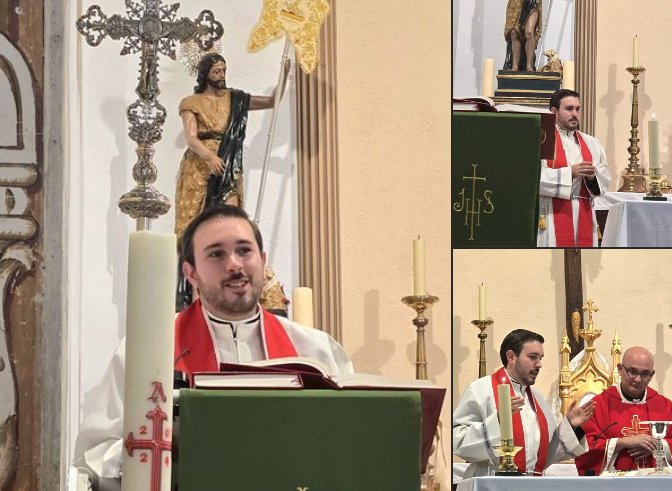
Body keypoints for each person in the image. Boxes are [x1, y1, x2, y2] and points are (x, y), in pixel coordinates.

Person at [74, 205, 352, 491]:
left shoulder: (316, 350)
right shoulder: (145, 350)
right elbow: (91, 460)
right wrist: (167, 447)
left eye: (244, 250)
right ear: (191, 273)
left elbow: (348, 446)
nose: (234, 264)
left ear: (263, 259)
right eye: (216, 253)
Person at [174, 53, 290, 310]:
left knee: (231, 216)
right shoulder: (191, 102)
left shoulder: (234, 98)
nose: (221, 76)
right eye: (216, 72)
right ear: (205, 74)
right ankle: (197, 298)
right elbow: (191, 138)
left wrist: (284, 74)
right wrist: (209, 156)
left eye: (223, 70)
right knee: (196, 226)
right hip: (199, 166)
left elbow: (272, 101)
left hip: (228, 165)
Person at [453, 329, 595, 478]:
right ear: (511, 356)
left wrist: (572, 427)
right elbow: (458, 441)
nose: (539, 364)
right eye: (533, 357)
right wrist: (498, 421)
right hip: (492, 482)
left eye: (540, 358)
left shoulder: (537, 400)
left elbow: (545, 455)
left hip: (532, 484)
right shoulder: (480, 389)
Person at [575, 346, 672, 475]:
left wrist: (657, 445)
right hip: (614, 485)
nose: (638, 379)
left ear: (651, 375)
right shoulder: (597, 406)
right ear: (620, 369)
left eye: (644, 374)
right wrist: (622, 442)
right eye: (632, 371)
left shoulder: (665, 406)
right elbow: (583, 450)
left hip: (656, 484)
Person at [537, 89, 611, 247]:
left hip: (583, 213)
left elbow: (603, 179)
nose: (575, 114)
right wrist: (569, 173)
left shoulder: (592, 143)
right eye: (569, 109)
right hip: (551, 212)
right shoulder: (541, 140)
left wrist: (592, 178)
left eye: (578, 109)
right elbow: (531, 178)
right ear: (554, 111)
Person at [503, 0, 543, 72]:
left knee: (529, 32)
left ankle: (529, 66)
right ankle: (515, 66)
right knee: (514, 33)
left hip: (532, 3)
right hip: (516, 3)